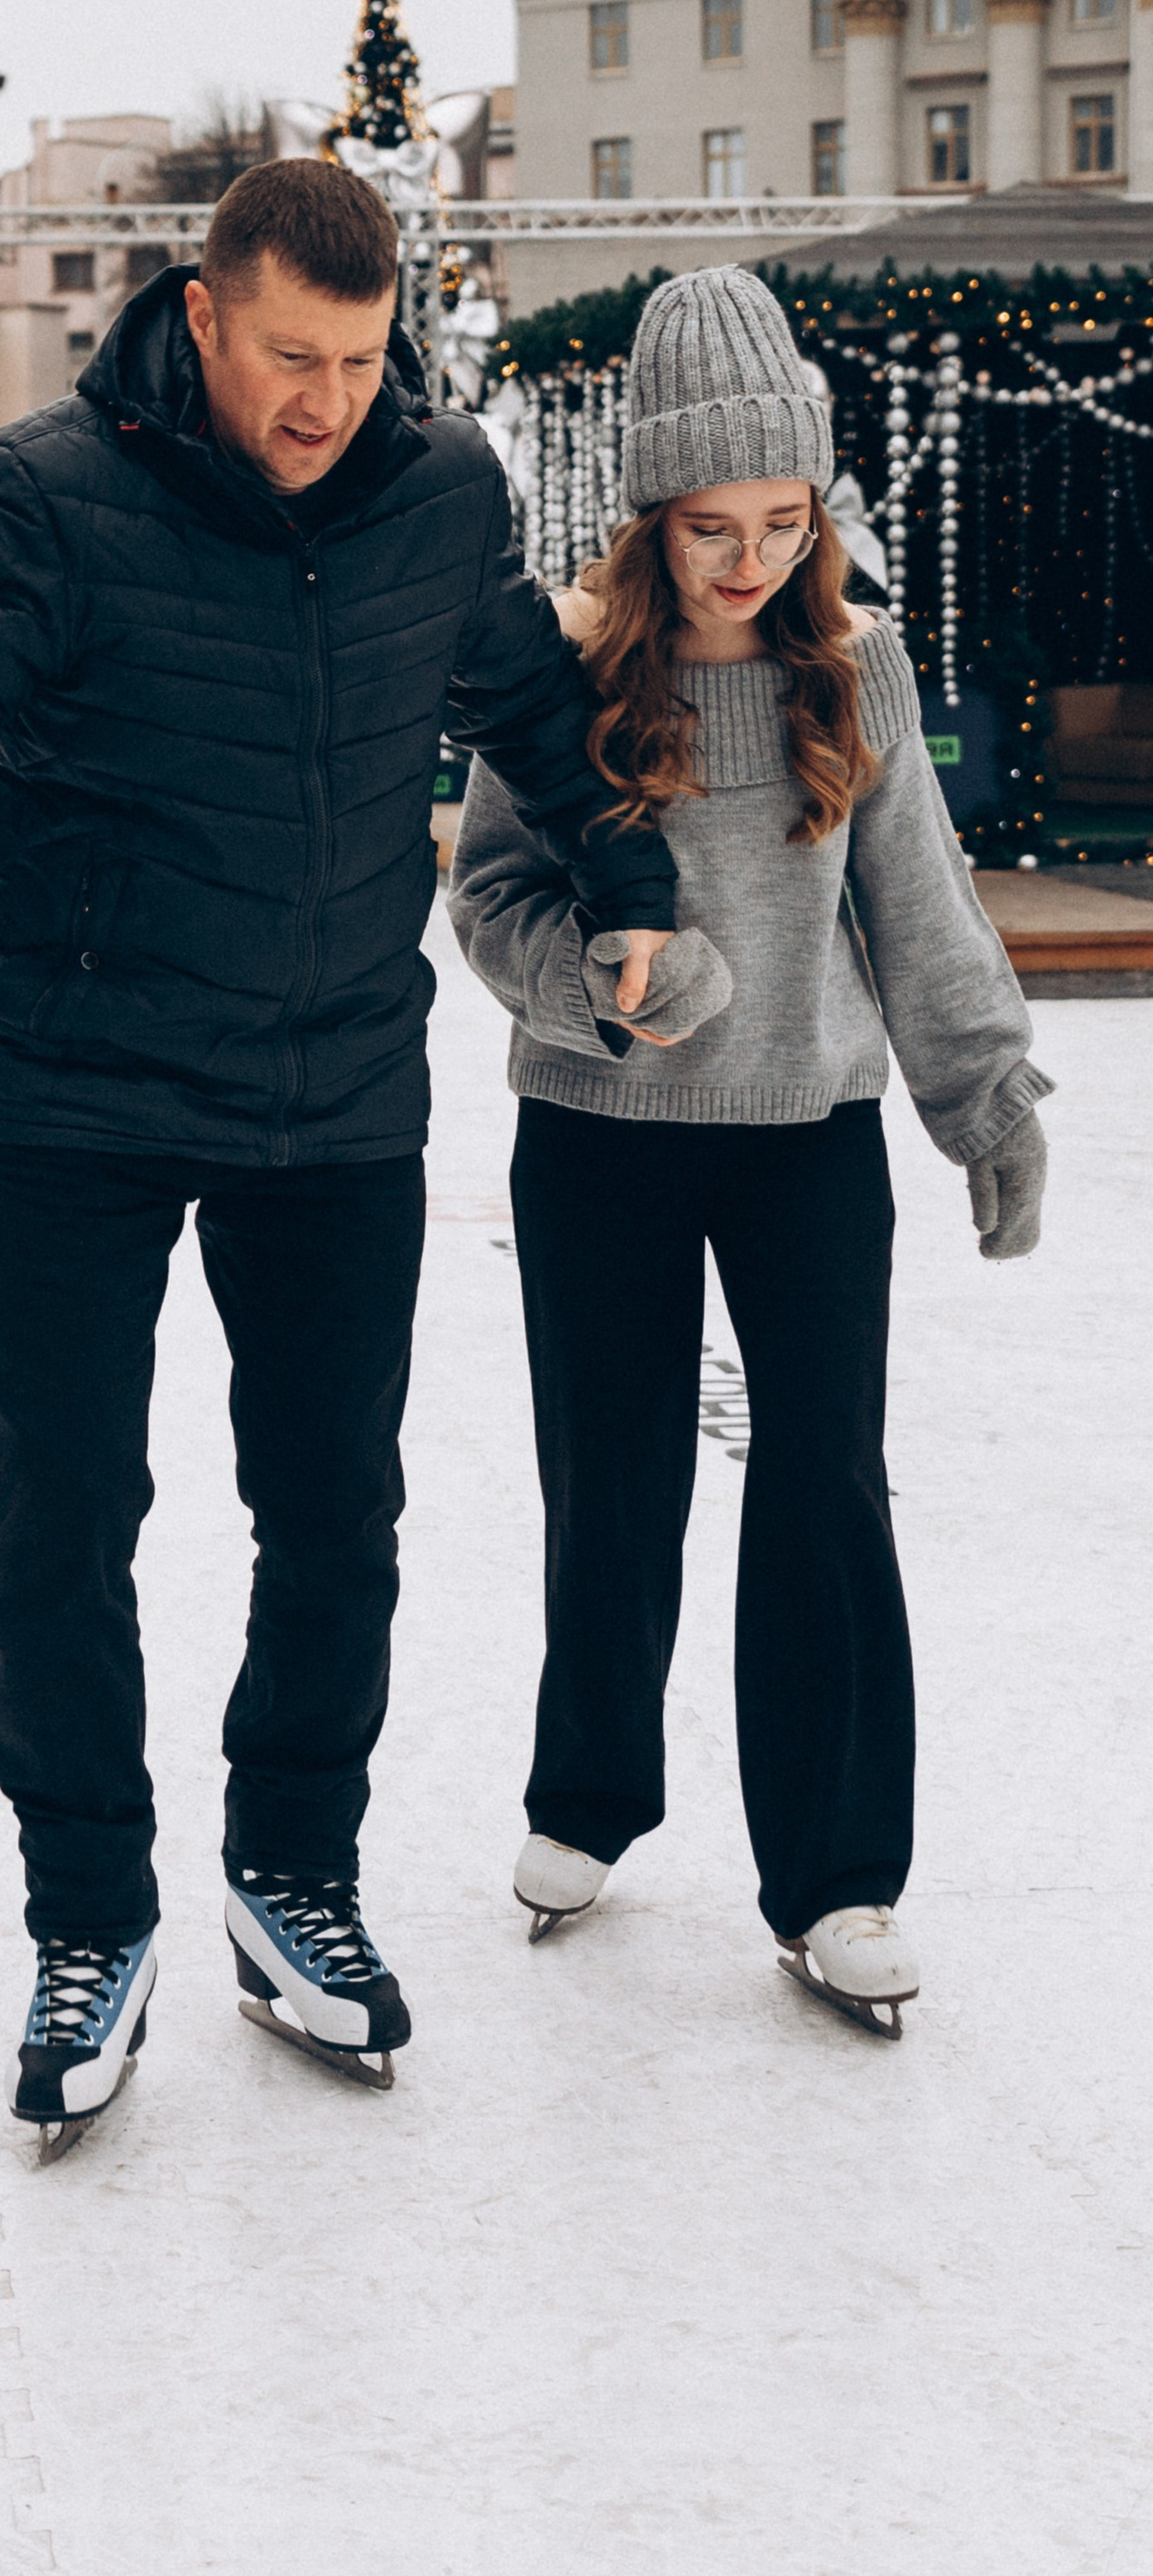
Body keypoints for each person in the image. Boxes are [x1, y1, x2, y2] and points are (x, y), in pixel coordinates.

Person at [0, 158, 683, 2141]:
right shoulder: (43, 493)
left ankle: (292, 1871)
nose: (325, 401)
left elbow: (543, 723)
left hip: (335, 1100)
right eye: (291, 356)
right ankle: (86, 1912)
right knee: (61, 1514)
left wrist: (628, 882)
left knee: (330, 1512)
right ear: (200, 318)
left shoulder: (437, 491)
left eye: (360, 361)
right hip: (83, 1096)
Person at [446, 268, 1049, 2037]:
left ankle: (839, 1875)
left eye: (780, 521)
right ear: (649, 516)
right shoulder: (559, 665)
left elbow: (915, 901)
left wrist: (981, 1091)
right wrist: (590, 985)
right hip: (594, 1135)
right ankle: (586, 1795)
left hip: (804, 1134)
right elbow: (484, 899)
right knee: (613, 1480)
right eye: (710, 527)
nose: (747, 561)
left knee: (823, 1485)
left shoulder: (849, 657)